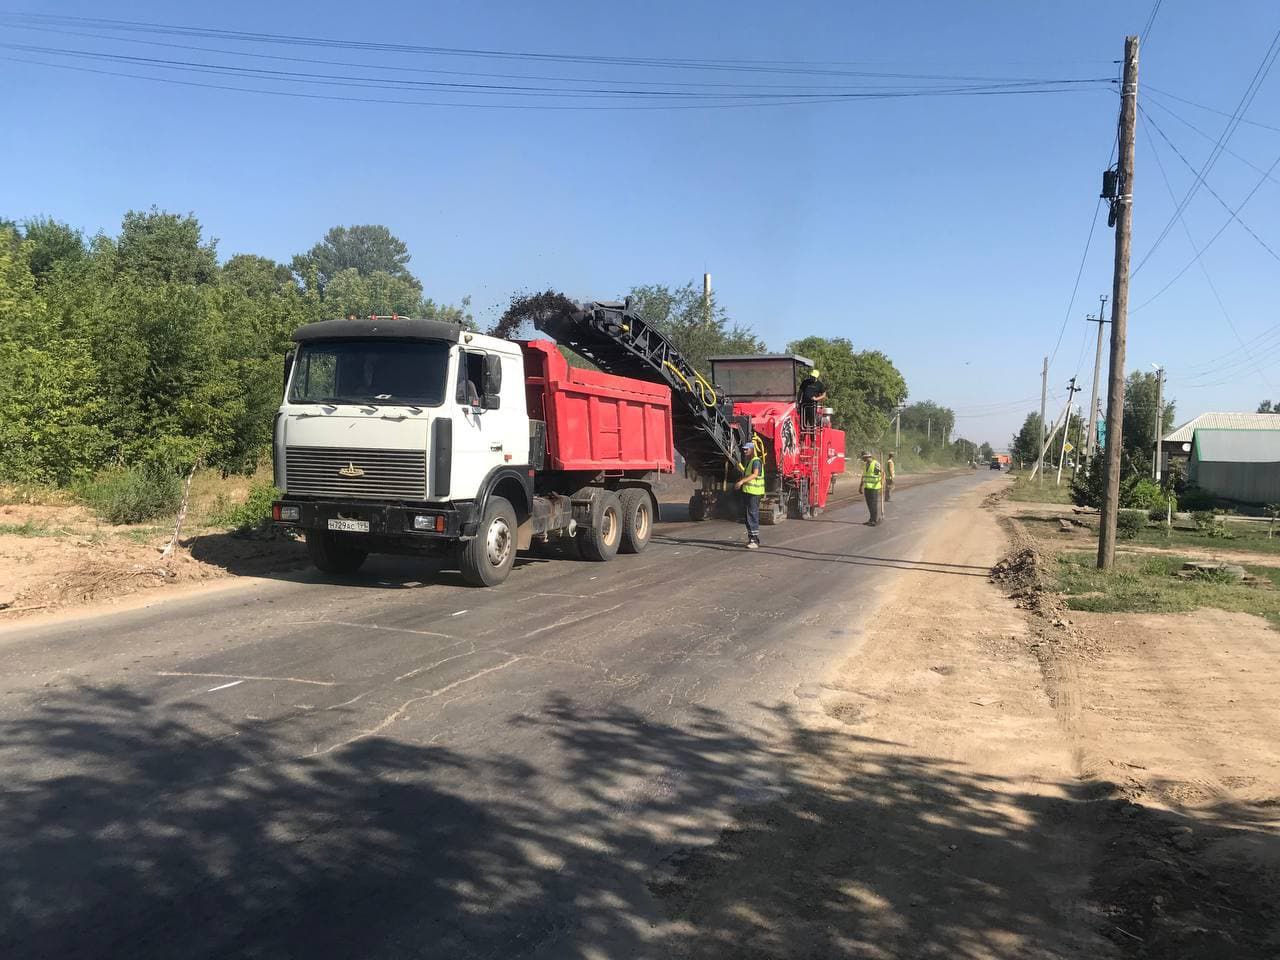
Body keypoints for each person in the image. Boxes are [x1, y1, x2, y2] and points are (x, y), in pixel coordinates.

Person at [734, 440, 765, 549]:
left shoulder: (756, 461)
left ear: (752, 450)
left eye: (747, 449)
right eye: (744, 450)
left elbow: (755, 474)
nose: (745, 451)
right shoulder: (750, 462)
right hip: (749, 492)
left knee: (752, 515)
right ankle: (752, 538)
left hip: (754, 493)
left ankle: (754, 540)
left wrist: (742, 482)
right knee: (748, 515)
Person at [858, 450, 883, 526]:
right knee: (869, 504)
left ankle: (874, 520)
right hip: (867, 487)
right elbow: (864, 475)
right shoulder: (866, 465)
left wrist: (882, 482)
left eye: (863, 458)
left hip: (874, 488)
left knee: (873, 504)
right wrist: (860, 486)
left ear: (867, 457)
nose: (863, 460)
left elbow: (883, 472)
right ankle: (871, 519)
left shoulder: (876, 464)